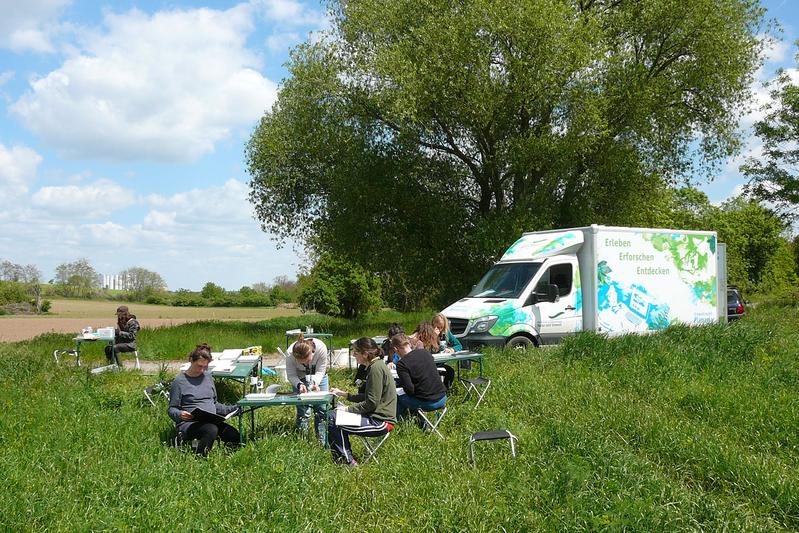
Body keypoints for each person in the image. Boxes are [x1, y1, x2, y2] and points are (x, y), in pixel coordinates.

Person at [330, 337, 397, 466]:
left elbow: (371, 402)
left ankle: (347, 462)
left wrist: (347, 409)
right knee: (335, 413)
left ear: (365, 354)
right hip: (376, 417)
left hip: (380, 422)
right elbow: (368, 396)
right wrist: (345, 395)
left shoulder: (375, 369)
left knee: (333, 418)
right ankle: (345, 457)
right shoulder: (376, 365)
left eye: (355, 353)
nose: (353, 355)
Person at [168, 344, 240, 456]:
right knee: (211, 430)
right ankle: (200, 457)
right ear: (191, 360)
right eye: (199, 366)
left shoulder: (208, 377)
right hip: (190, 423)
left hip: (210, 420)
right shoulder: (179, 382)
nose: (202, 370)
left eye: (205, 367)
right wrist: (179, 414)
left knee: (233, 434)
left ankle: (228, 458)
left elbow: (214, 403)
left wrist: (234, 409)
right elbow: (172, 409)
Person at [286, 334, 329, 446]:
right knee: (303, 410)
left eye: (307, 360)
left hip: (319, 375)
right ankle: (302, 441)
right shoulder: (290, 354)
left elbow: (321, 371)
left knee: (321, 409)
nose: (305, 364)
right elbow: (291, 375)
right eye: (301, 362)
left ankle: (323, 442)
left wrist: (315, 383)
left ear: (312, 353)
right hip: (299, 376)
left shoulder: (321, 348)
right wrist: (299, 384)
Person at [391, 334, 447, 420]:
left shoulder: (402, 364)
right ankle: (421, 420)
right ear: (409, 344)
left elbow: (409, 390)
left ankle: (399, 423)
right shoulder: (425, 352)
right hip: (442, 397)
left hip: (427, 403)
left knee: (397, 396)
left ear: (395, 349)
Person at [432, 312, 464, 381]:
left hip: (441, 362)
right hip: (430, 364)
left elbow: (459, 345)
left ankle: (445, 390)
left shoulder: (446, 332)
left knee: (450, 372)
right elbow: (426, 349)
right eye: (437, 327)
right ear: (433, 324)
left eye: (441, 327)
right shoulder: (428, 333)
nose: (439, 330)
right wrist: (433, 337)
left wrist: (452, 349)